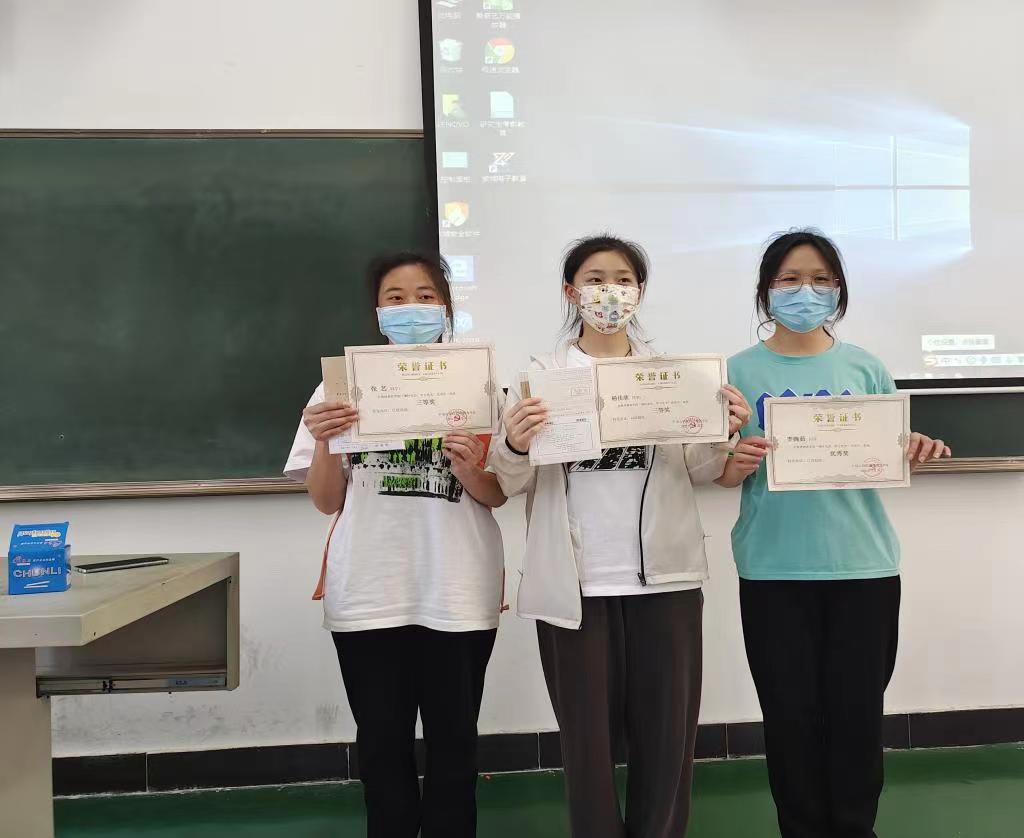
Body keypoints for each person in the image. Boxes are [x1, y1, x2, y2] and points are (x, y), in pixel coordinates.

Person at [489, 235, 752, 838]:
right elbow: (508, 481)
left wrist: (723, 429)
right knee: (586, 747)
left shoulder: (673, 376)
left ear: (639, 293)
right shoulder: (538, 380)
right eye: (595, 279)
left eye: (623, 280)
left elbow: (702, 468)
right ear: (571, 291)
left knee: (669, 739)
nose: (610, 292)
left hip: (667, 580)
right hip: (575, 586)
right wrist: (515, 444)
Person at [717, 229, 951, 838]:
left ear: (839, 290)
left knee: (857, 716)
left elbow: (884, 452)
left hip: (864, 567)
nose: (806, 291)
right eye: (790, 279)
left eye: (821, 280)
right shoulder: (735, 371)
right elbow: (717, 470)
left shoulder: (865, 367)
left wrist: (912, 447)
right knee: (788, 717)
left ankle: (854, 828)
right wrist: (735, 462)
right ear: (767, 290)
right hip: (773, 567)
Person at [283, 252, 506, 838]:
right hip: (369, 589)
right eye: (396, 297)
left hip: (458, 588)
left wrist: (469, 467)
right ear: (377, 311)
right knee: (381, 746)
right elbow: (327, 500)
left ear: (447, 307)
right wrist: (325, 441)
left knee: (455, 744)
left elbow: (498, 494)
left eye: (425, 296)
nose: (412, 308)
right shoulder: (341, 386)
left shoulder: (481, 384)